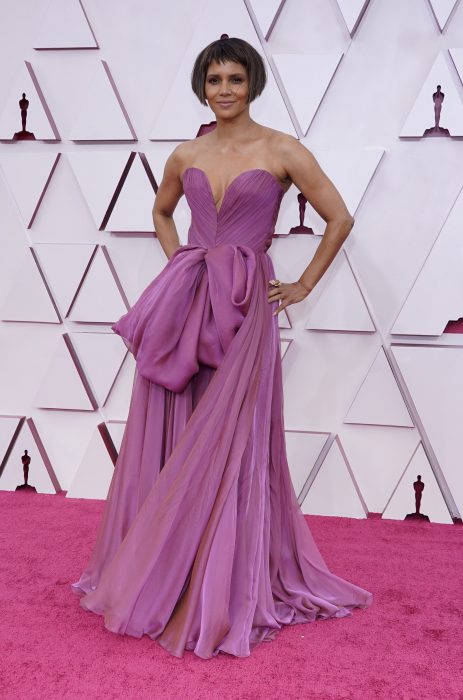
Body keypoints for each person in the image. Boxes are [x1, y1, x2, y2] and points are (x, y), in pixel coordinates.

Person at [70, 35, 373, 660]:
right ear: (201, 86)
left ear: (252, 83)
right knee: (176, 429)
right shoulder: (187, 153)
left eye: (235, 79)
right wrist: (185, 265)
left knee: (232, 435)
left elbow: (339, 216)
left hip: (245, 310)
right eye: (214, 80)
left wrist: (305, 283)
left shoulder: (283, 149)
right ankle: (169, 571)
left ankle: (221, 576)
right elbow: (162, 212)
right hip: (188, 304)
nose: (224, 90)